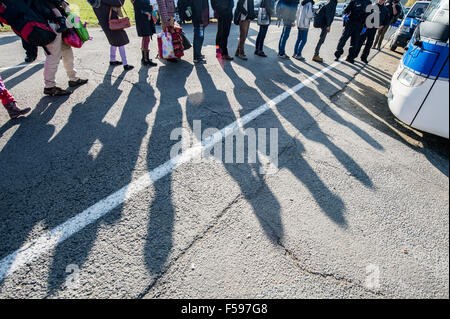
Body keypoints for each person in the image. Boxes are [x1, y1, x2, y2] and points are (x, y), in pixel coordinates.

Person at [43, 1, 88, 96]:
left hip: (59, 24)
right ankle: (49, 86)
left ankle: (73, 78)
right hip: (51, 24)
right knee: (53, 57)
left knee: (67, 52)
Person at [90, 0, 134, 71]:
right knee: (120, 42)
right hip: (113, 22)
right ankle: (125, 64)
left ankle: (112, 60)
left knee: (113, 41)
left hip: (105, 23)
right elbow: (119, 3)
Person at [132, 0, 157, 66]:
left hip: (145, 20)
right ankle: (146, 59)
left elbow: (148, 7)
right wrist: (148, 12)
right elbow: (140, 7)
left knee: (145, 38)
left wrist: (149, 10)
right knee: (146, 38)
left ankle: (144, 58)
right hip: (143, 20)